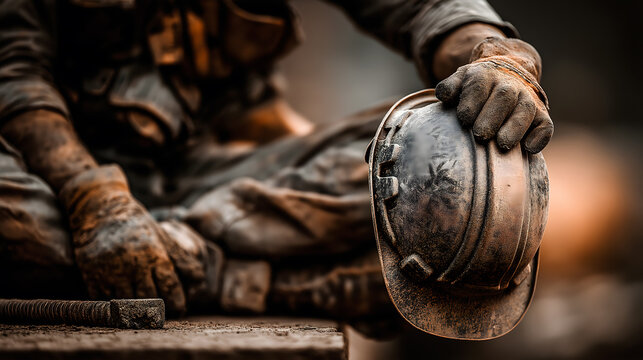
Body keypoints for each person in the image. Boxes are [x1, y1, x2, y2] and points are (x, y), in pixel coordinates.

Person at [0, 0, 552, 327]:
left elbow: (427, 7)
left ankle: (197, 260)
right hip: (50, 182)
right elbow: (13, 72)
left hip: (219, 188)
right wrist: (91, 197)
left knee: (455, 152)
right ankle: (254, 279)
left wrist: (501, 59)